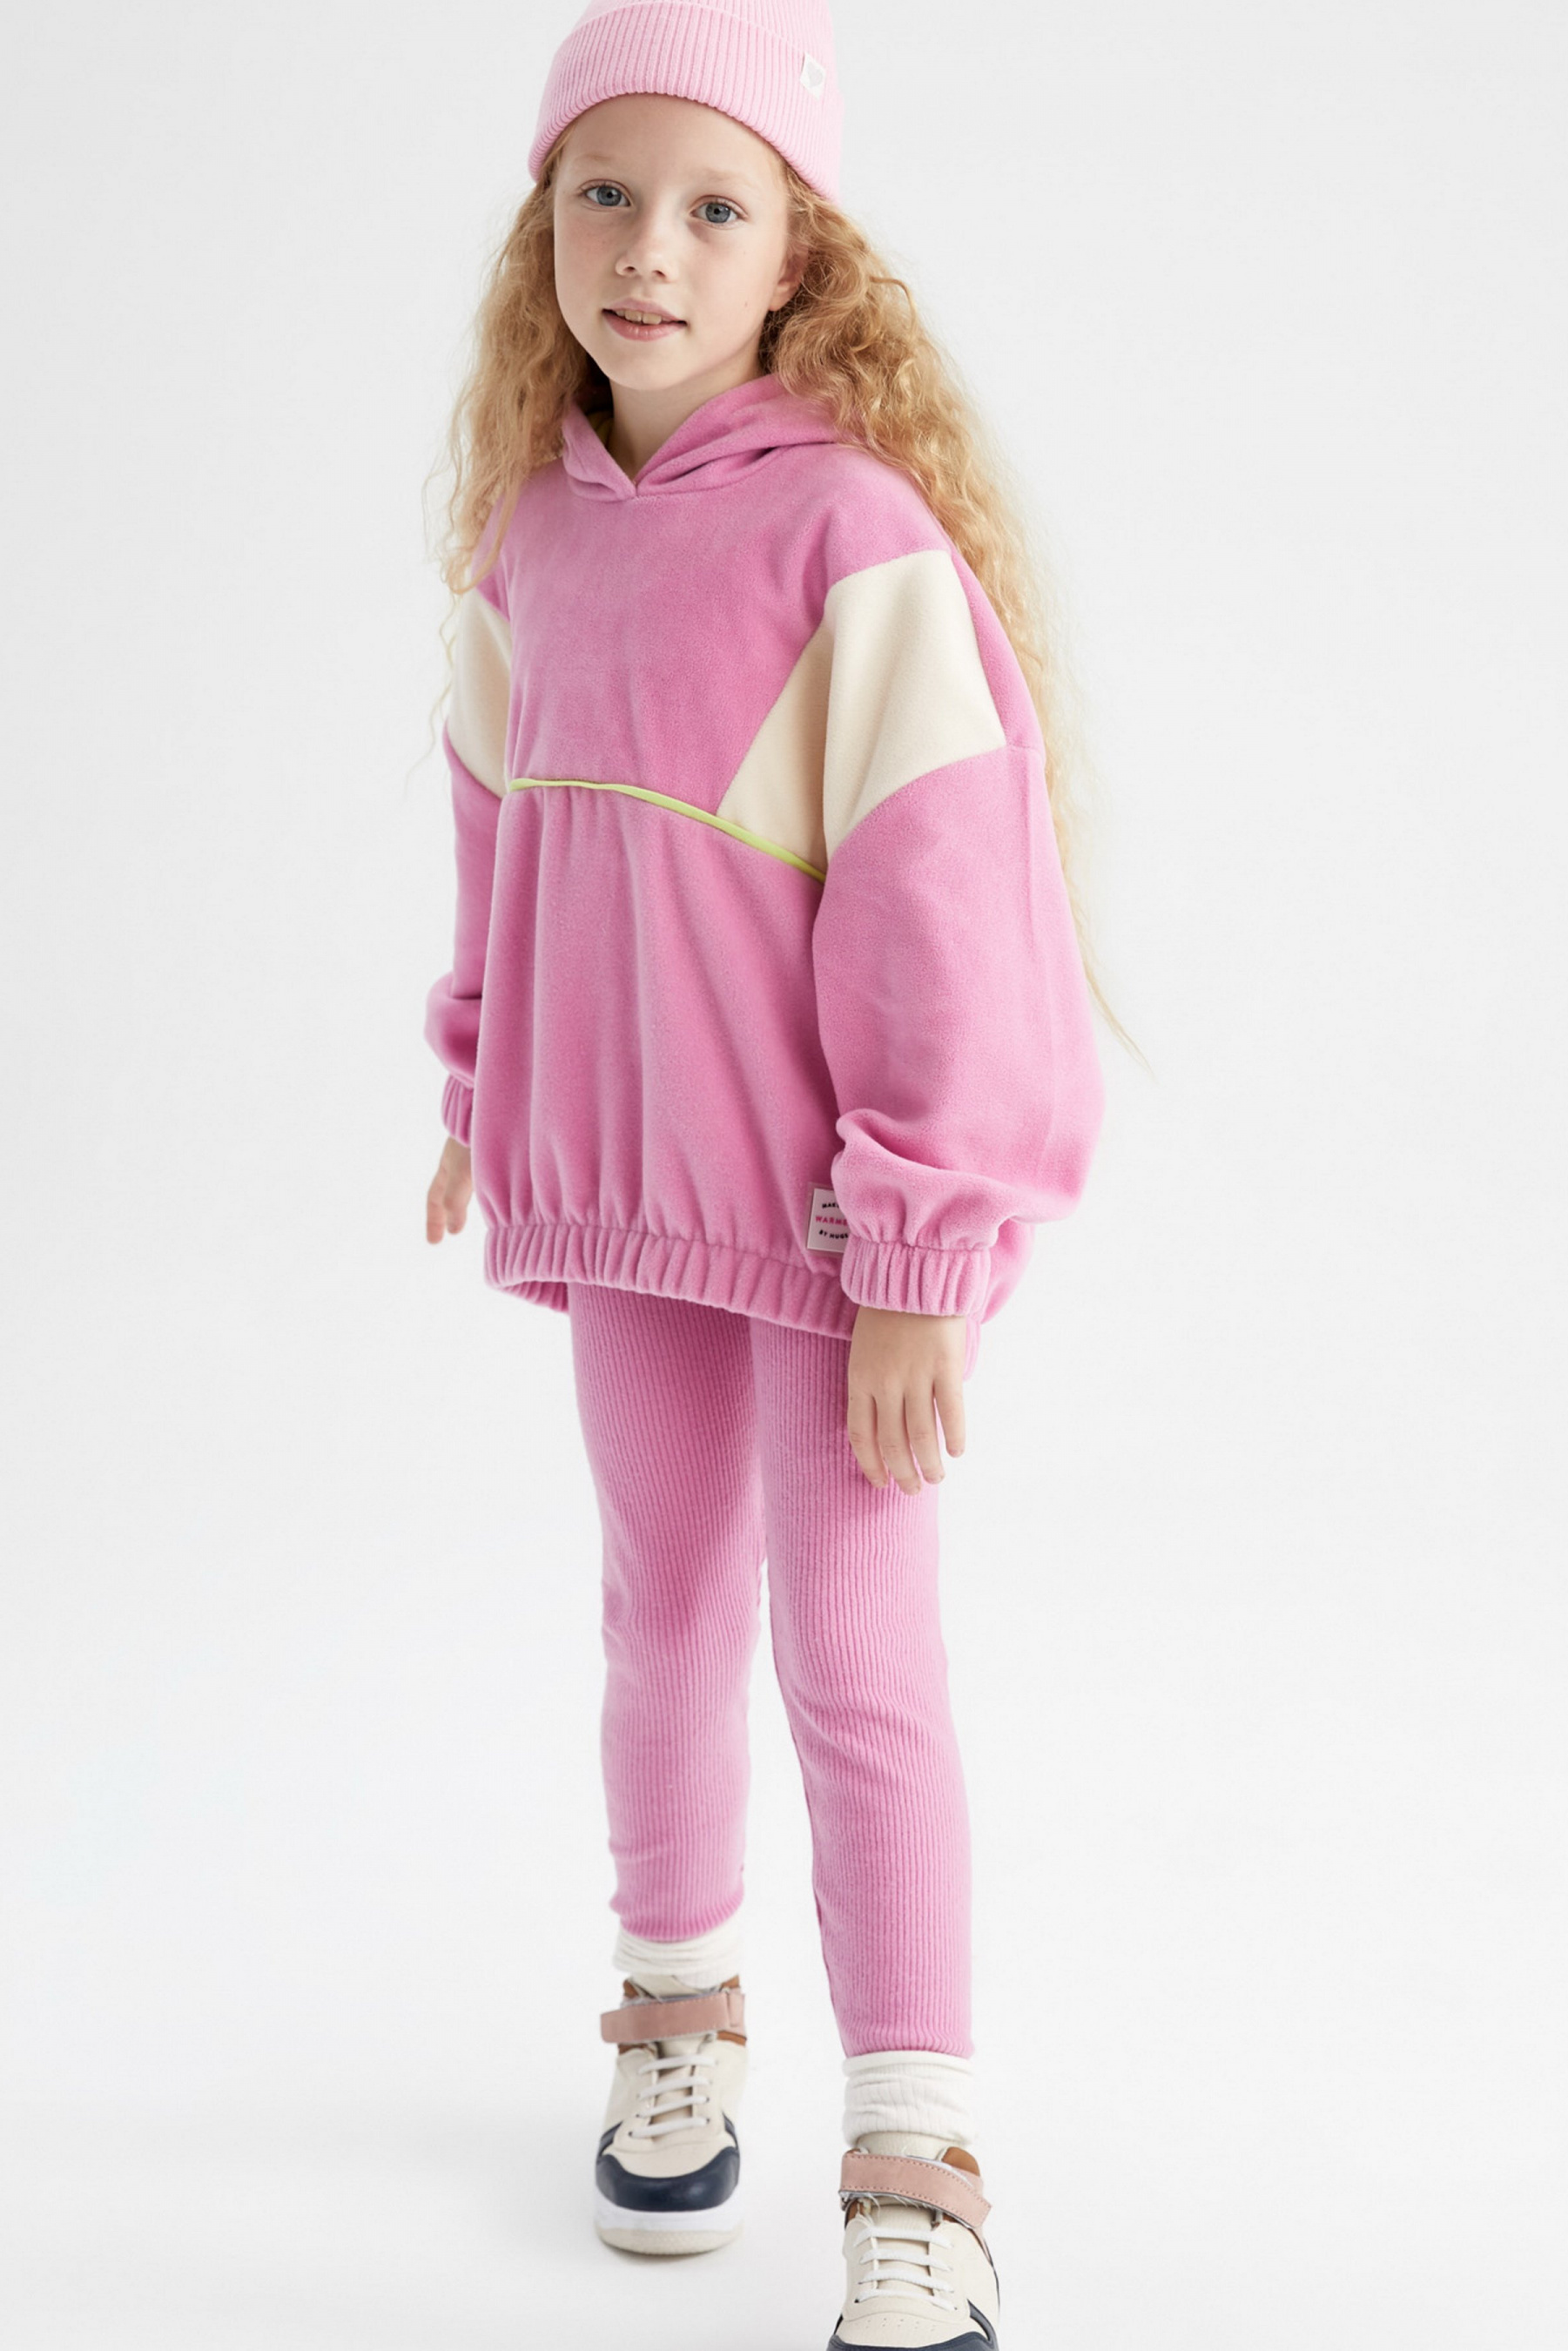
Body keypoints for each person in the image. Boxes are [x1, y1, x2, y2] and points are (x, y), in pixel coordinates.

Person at [420, 3, 1110, 2341]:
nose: (650, 247)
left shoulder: (853, 540)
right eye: (604, 194)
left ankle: (916, 2150)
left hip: (832, 1236)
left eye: (714, 206)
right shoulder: (528, 537)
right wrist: (478, 1082)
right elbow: (501, 849)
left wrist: (921, 1246)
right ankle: (674, 2015)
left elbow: (943, 909)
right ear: (544, 227)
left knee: (856, 1657)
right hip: (632, 1208)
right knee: (663, 1615)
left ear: (796, 255)